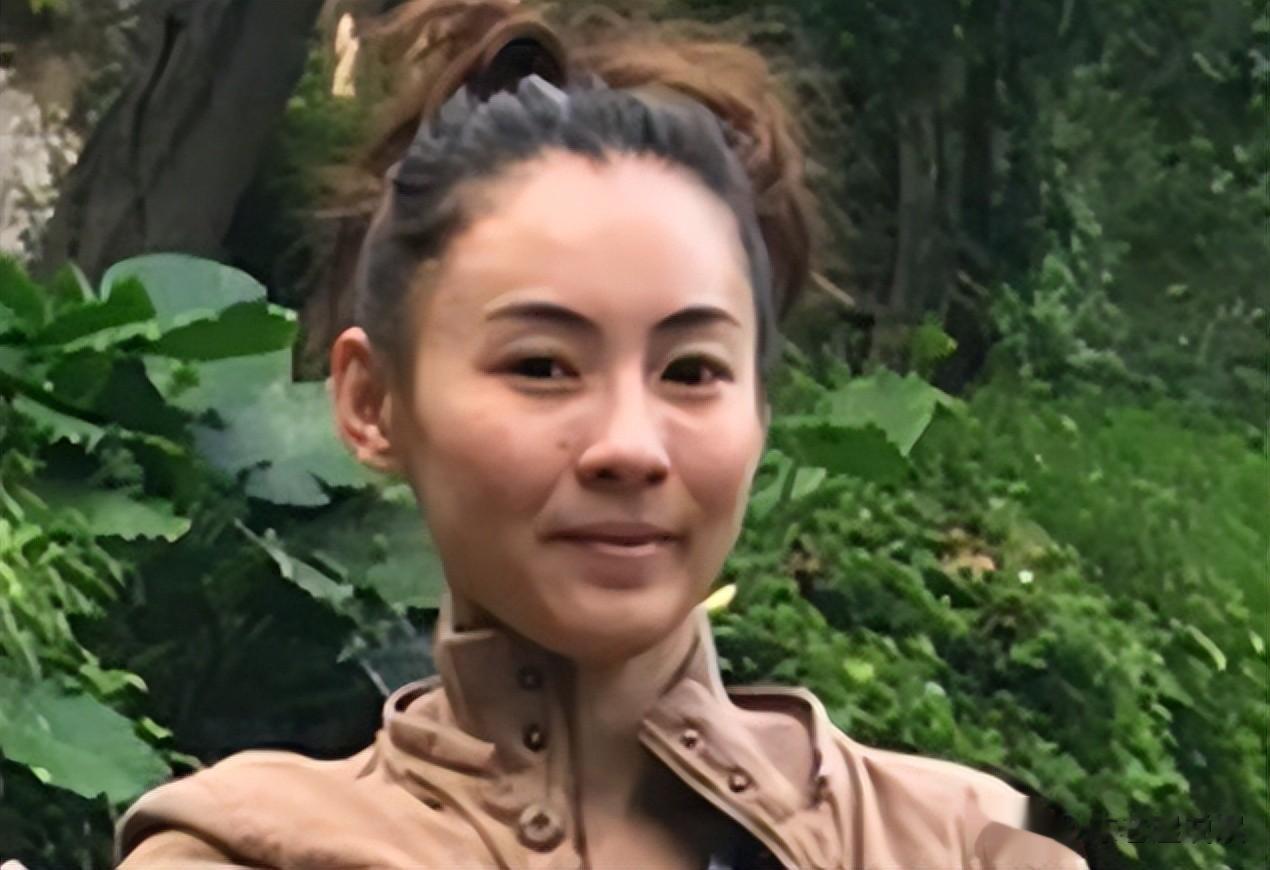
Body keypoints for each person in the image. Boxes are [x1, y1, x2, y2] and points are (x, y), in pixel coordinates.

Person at [114, 1, 1089, 867]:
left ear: (760, 408)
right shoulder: (252, 849)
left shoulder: (954, 841)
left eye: (691, 371)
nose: (631, 445)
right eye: (542, 366)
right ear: (373, 404)